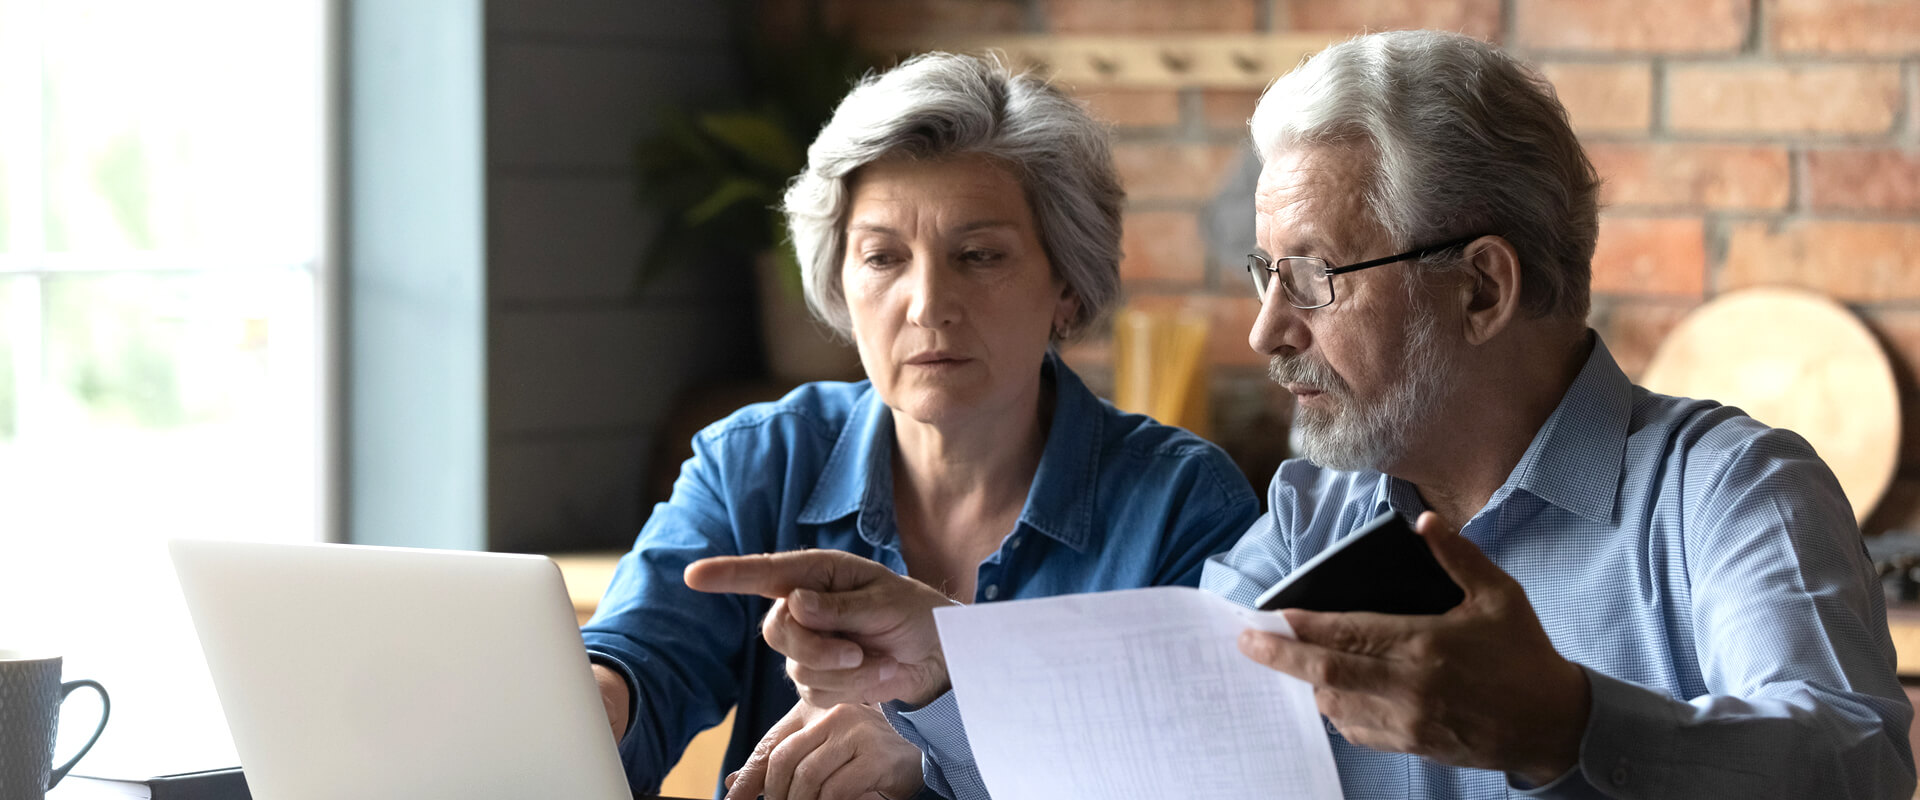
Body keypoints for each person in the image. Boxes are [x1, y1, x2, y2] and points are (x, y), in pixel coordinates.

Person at [689, 30, 1917, 799]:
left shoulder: (1726, 488)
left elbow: (1857, 762)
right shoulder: (1310, 513)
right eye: (1261, 275)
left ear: (1482, 286)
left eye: (1315, 277)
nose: (1269, 332)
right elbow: (1152, 737)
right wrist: (950, 663)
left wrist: (1568, 723)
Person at [582, 51, 1260, 799]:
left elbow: (1211, 773)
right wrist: (595, 702)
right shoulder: (757, 460)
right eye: (883, 257)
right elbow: (640, 662)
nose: (927, 303)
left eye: (978, 255)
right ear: (840, 282)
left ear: (1066, 286)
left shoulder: (1183, 504)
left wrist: (942, 748)